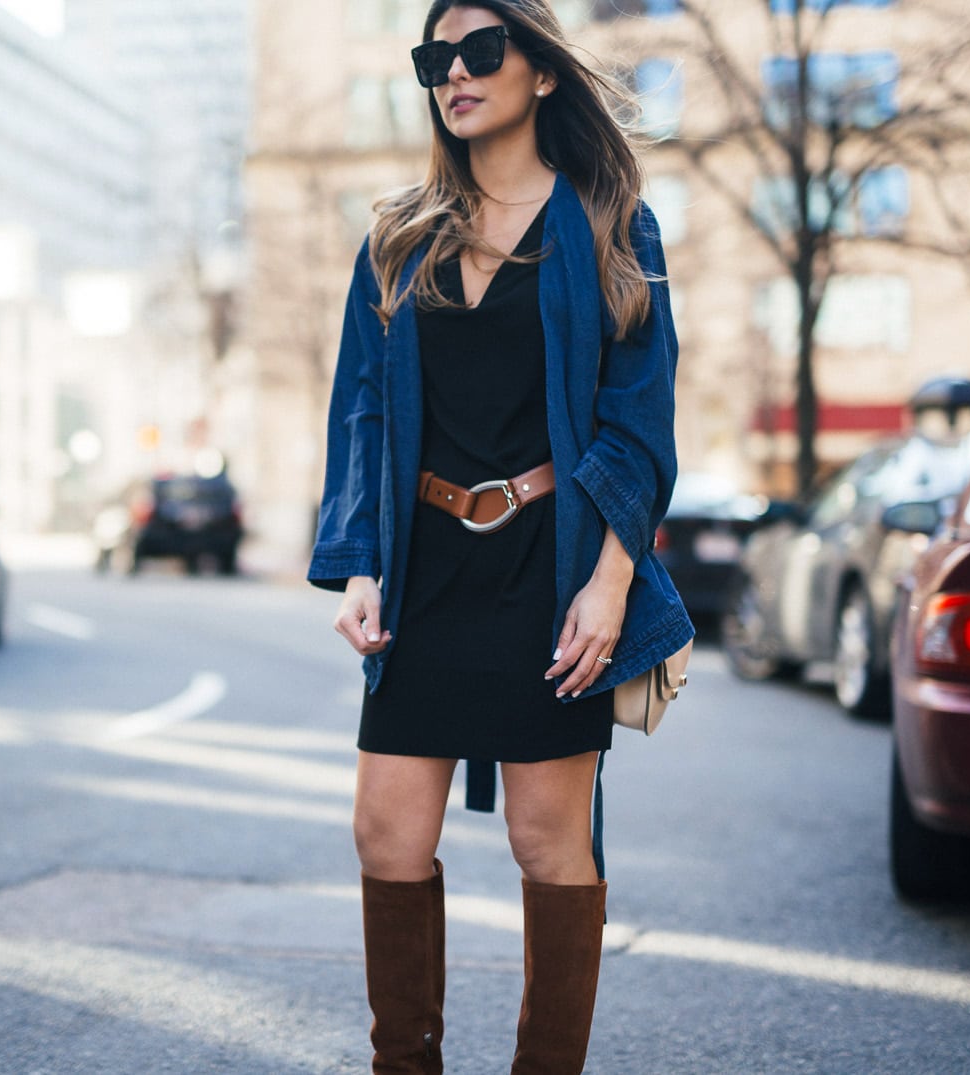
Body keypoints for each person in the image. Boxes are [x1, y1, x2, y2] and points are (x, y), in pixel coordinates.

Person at [308, 2, 693, 1072]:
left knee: (545, 841)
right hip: (428, 563)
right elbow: (362, 411)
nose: (455, 75)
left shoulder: (612, 226)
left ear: (543, 74)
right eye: (437, 58)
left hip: (547, 562)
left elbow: (638, 424)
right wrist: (358, 562)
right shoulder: (397, 234)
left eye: (481, 52)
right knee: (384, 832)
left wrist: (609, 584)